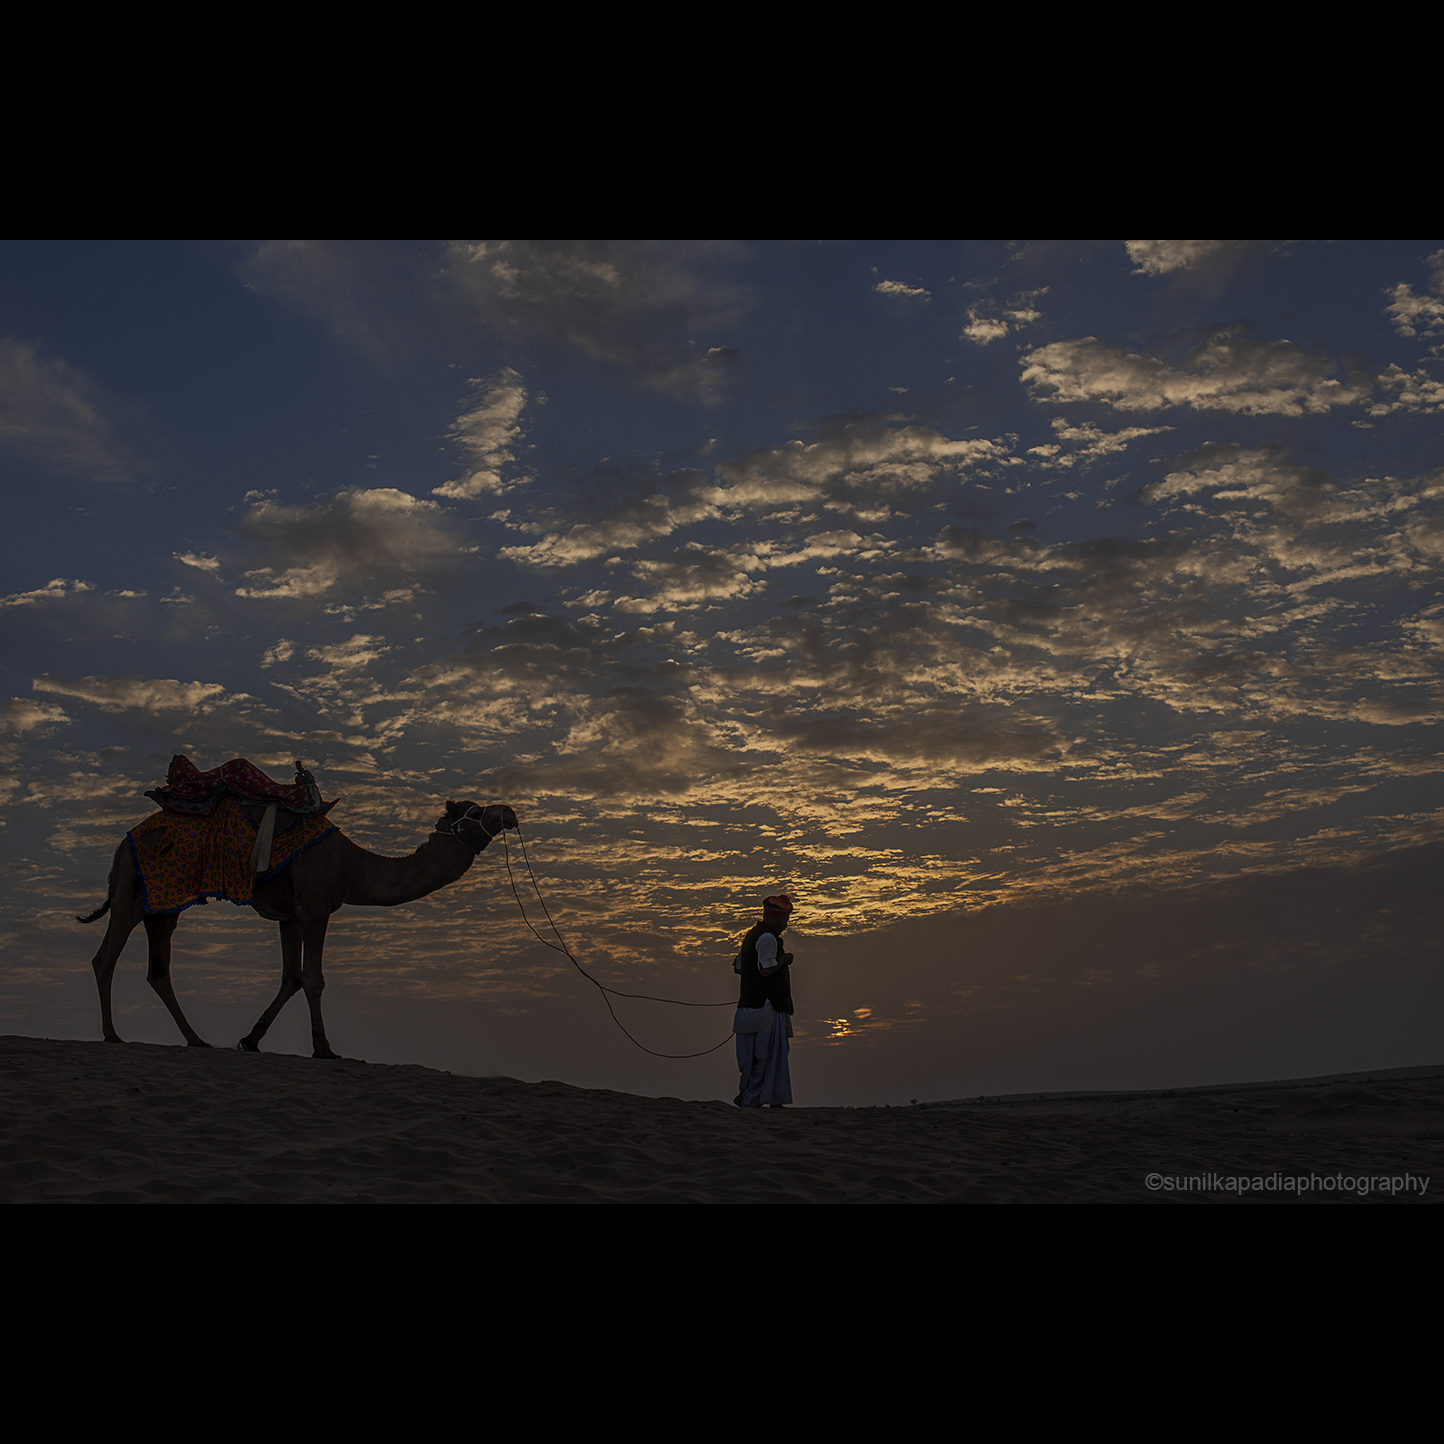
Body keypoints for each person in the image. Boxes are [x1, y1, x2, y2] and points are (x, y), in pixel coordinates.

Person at [732, 894, 796, 1108]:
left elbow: (740, 967)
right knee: (765, 1057)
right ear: (775, 918)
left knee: (754, 1059)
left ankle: (752, 1098)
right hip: (765, 1010)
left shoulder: (752, 935)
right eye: (784, 920)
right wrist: (783, 960)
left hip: (749, 1009)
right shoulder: (767, 938)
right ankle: (755, 1100)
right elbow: (766, 969)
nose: (785, 925)